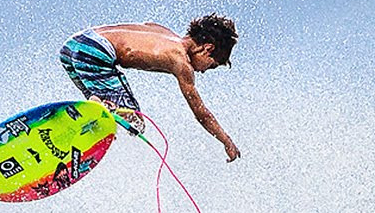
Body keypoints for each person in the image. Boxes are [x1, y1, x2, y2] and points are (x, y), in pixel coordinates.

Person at [59, 14, 241, 162]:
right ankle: (97, 116)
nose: (203, 72)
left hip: (73, 46)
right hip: (97, 52)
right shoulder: (181, 62)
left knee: (104, 106)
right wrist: (226, 140)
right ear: (207, 49)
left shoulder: (164, 32)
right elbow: (201, 113)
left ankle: (85, 118)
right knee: (135, 121)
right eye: (211, 66)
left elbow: (145, 27)